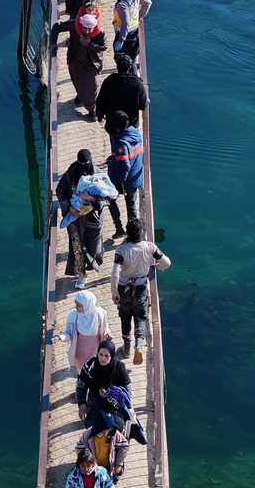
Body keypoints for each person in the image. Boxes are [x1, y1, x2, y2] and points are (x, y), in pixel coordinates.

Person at [111, 218, 171, 364]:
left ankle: (126, 349)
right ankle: (139, 345)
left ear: (127, 232)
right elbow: (166, 262)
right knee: (140, 317)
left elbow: (115, 273)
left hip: (124, 290)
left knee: (125, 317)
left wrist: (114, 293)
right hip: (141, 289)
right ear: (142, 232)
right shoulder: (150, 247)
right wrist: (156, 266)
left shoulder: (121, 250)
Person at [56, 149, 106, 289]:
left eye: (86, 163)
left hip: (93, 219)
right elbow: (60, 191)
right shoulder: (70, 174)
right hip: (75, 219)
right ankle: (81, 275)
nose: (84, 166)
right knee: (77, 248)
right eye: (81, 163)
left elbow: (108, 197)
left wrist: (90, 198)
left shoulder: (97, 174)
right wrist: (69, 208)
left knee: (94, 248)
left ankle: (95, 261)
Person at [50, 10, 107, 121]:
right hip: (76, 59)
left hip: (92, 62)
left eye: (89, 29)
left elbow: (103, 47)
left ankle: (92, 109)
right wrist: (53, 42)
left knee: (93, 85)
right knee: (77, 80)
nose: (86, 31)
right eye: (84, 28)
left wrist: (89, 44)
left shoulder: (101, 32)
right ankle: (81, 96)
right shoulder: (73, 25)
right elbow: (57, 26)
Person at [76, 340, 132, 429]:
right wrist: (82, 403)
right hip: (95, 402)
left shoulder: (119, 367)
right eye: (100, 354)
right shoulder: (90, 365)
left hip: (115, 405)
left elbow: (128, 392)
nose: (102, 358)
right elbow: (81, 386)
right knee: (93, 428)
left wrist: (110, 394)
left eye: (106, 356)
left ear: (112, 355)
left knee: (118, 426)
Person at [53, 290, 113, 371]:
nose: (76, 307)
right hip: (80, 353)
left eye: (78, 306)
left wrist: (107, 334)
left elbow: (105, 328)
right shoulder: (74, 316)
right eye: (76, 305)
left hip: (96, 351)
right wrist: (60, 337)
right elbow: (69, 333)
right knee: (82, 372)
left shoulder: (100, 314)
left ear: (87, 305)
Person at [97, 53, 149, 145]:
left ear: (117, 66)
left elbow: (101, 101)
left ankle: (115, 156)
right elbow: (143, 105)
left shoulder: (108, 81)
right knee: (130, 145)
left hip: (113, 123)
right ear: (129, 68)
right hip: (130, 124)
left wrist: (100, 116)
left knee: (115, 143)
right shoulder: (138, 83)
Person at [106, 110, 143, 237]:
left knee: (110, 199)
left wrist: (120, 183)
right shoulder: (136, 133)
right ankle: (134, 234)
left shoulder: (120, 142)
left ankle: (119, 228)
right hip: (135, 179)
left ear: (115, 126)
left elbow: (124, 165)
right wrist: (113, 157)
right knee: (132, 206)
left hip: (122, 180)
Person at [111, 0, 152, 74]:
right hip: (136, 34)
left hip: (125, 37)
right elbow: (148, 3)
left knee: (121, 62)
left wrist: (120, 40)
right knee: (132, 60)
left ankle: (125, 80)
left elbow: (125, 23)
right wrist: (139, 16)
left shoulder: (122, 5)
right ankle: (134, 79)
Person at [76, 411, 129, 483]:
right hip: (94, 465)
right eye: (103, 432)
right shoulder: (88, 434)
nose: (106, 434)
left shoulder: (114, 433)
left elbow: (124, 446)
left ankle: (113, 475)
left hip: (110, 464)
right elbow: (79, 447)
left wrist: (118, 464)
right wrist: (84, 461)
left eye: (107, 432)